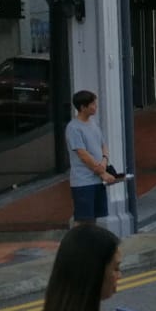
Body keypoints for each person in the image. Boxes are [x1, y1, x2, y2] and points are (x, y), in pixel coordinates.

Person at [66, 90, 118, 224]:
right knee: (84, 219)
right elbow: (82, 154)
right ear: (83, 107)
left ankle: (91, 243)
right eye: (93, 104)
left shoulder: (93, 123)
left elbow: (103, 144)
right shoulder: (74, 128)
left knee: (94, 218)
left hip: (97, 179)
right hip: (84, 181)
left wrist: (104, 161)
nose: (96, 106)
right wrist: (102, 172)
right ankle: (80, 244)